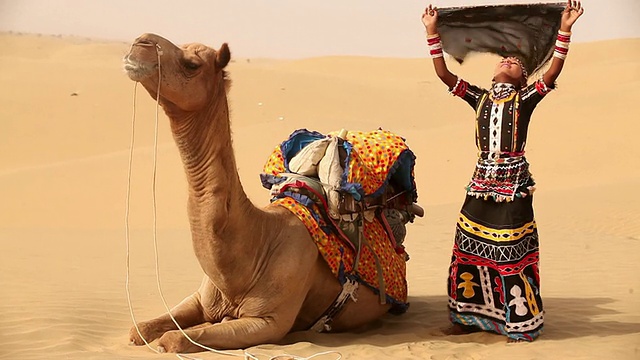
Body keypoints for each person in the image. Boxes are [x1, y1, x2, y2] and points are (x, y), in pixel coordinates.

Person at [421, 1, 584, 342]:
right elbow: (444, 75)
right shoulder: (478, 97)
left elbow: (552, 74)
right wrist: (432, 32)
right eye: (503, 59)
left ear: (524, 78)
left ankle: (520, 323)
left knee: (511, 250)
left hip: (513, 185)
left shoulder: (525, 99)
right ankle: (466, 319)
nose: (508, 60)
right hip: (480, 183)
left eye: (515, 62)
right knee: (468, 245)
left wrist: (565, 29)